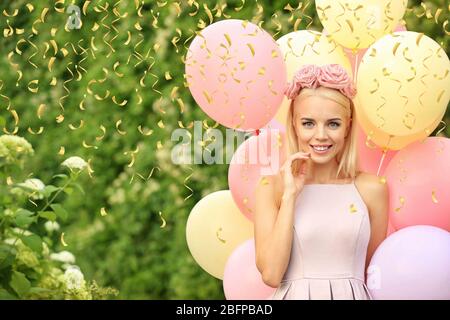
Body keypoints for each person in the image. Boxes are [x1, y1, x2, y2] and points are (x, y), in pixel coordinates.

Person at [254, 64, 388, 300]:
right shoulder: (270, 188)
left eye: (333, 124)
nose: (321, 135)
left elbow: (374, 274)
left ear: (347, 127)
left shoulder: (372, 189)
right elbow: (272, 274)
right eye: (308, 123)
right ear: (294, 125)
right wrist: (290, 195)